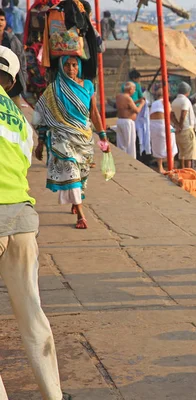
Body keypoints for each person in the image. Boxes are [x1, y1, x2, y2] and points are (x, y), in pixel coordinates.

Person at [0, 45, 72, 400]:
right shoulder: (19, 117)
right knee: (32, 314)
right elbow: (23, 162)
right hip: (21, 216)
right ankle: (52, 394)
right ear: (12, 80)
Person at [34, 56, 110, 229]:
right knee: (71, 170)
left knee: (81, 176)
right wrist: (40, 142)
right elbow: (42, 115)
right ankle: (81, 216)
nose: (70, 68)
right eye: (67, 65)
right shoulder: (53, 89)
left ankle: (76, 201)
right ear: (61, 67)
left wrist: (103, 136)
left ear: (79, 67)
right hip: (61, 138)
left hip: (84, 139)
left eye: (74, 65)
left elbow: (94, 113)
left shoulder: (88, 86)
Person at [0, 9, 25, 109]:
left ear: (5, 22)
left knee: (15, 117)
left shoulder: (12, 39)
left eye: (2, 19)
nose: (0, 22)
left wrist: (23, 80)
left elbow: (22, 61)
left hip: (12, 89)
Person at [149, 87, 177, 174]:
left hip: (153, 126)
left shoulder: (153, 103)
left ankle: (160, 167)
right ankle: (170, 166)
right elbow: (169, 115)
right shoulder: (165, 102)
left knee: (157, 145)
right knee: (172, 146)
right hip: (163, 125)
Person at [115, 82, 145, 158]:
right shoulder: (128, 98)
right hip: (127, 122)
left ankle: (121, 157)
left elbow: (127, 105)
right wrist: (142, 103)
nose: (134, 91)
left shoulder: (119, 96)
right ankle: (130, 159)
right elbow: (137, 110)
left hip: (120, 121)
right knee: (130, 143)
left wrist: (137, 101)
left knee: (121, 143)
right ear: (130, 89)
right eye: (134, 89)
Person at [171, 82, 196, 168]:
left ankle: (182, 171)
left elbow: (171, 115)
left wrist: (177, 125)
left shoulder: (174, 101)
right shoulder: (185, 101)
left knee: (181, 153)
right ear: (187, 92)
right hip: (186, 130)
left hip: (178, 131)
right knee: (188, 156)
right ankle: (188, 172)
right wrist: (181, 125)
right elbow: (183, 114)